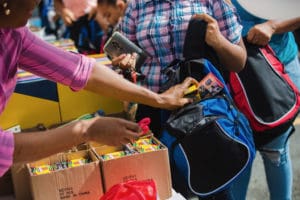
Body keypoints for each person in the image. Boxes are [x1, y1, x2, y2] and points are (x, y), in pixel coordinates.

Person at [0, 0, 198, 177]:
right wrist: (86, 131)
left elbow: (81, 70)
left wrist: (158, 99)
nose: (40, 3)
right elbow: (4, 148)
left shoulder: (13, 33)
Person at [97, 0, 247, 199]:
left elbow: (239, 61)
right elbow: (131, 61)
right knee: (160, 187)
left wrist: (219, 41)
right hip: (153, 109)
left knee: (214, 187)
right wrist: (126, 65)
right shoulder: (137, 6)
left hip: (204, 111)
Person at [230, 1, 300, 199]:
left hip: (277, 72)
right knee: (237, 153)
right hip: (233, 75)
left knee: (275, 152)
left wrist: (272, 26)